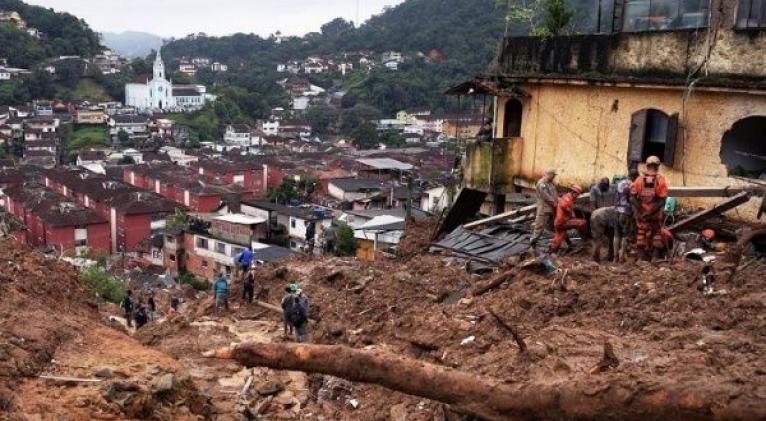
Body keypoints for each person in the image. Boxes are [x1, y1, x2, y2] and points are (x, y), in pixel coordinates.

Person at [630, 156, 669, 260]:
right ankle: (654, 259)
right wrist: (651, 212)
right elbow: (662, 200)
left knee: (641, 234)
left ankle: (641, 259)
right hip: (655, 216)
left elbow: (633, 198)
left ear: (647, 166)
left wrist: (642, 211)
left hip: (642, 216)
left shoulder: (639, 180)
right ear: (657, 167)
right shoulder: (661, 180)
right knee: (657, 235)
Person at [549, 185, 588, 254]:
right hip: (563, 222)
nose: (577, 196)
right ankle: (585, 241)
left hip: (559, 222)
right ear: (574, 192)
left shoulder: (566, 197)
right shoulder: (567, 200)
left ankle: (552, 251)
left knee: (558, 239)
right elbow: (566, 208)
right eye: (577, 195)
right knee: (582, 222)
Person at [613, 169, 640, 262]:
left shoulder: (619, 183)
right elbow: (632, 200)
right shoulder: (632, 185)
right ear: (634, 176)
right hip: (626, 213)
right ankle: (621, 258)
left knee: (616, 235)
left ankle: (615, 258)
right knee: (625, 235)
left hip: (616, 211)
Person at [530, 168, 559, 252]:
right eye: (553, 175)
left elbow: (555, 194)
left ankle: (557, 244)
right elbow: (546, 196)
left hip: (552, 210)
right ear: (549, 174)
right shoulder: (541, 184)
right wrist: (554, 203)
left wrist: (558, 200)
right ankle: (532, 243)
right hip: (544, 210)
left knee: (557, 227)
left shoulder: (551, 184)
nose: (554, 177)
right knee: (539, 228)